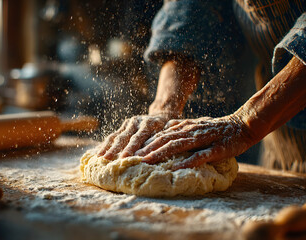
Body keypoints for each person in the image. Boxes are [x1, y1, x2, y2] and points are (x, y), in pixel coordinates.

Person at [97, 0, 306, 172]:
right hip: (283, 150)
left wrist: (248, 123)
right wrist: (164, 107)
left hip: (272, 113)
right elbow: (191, 8)